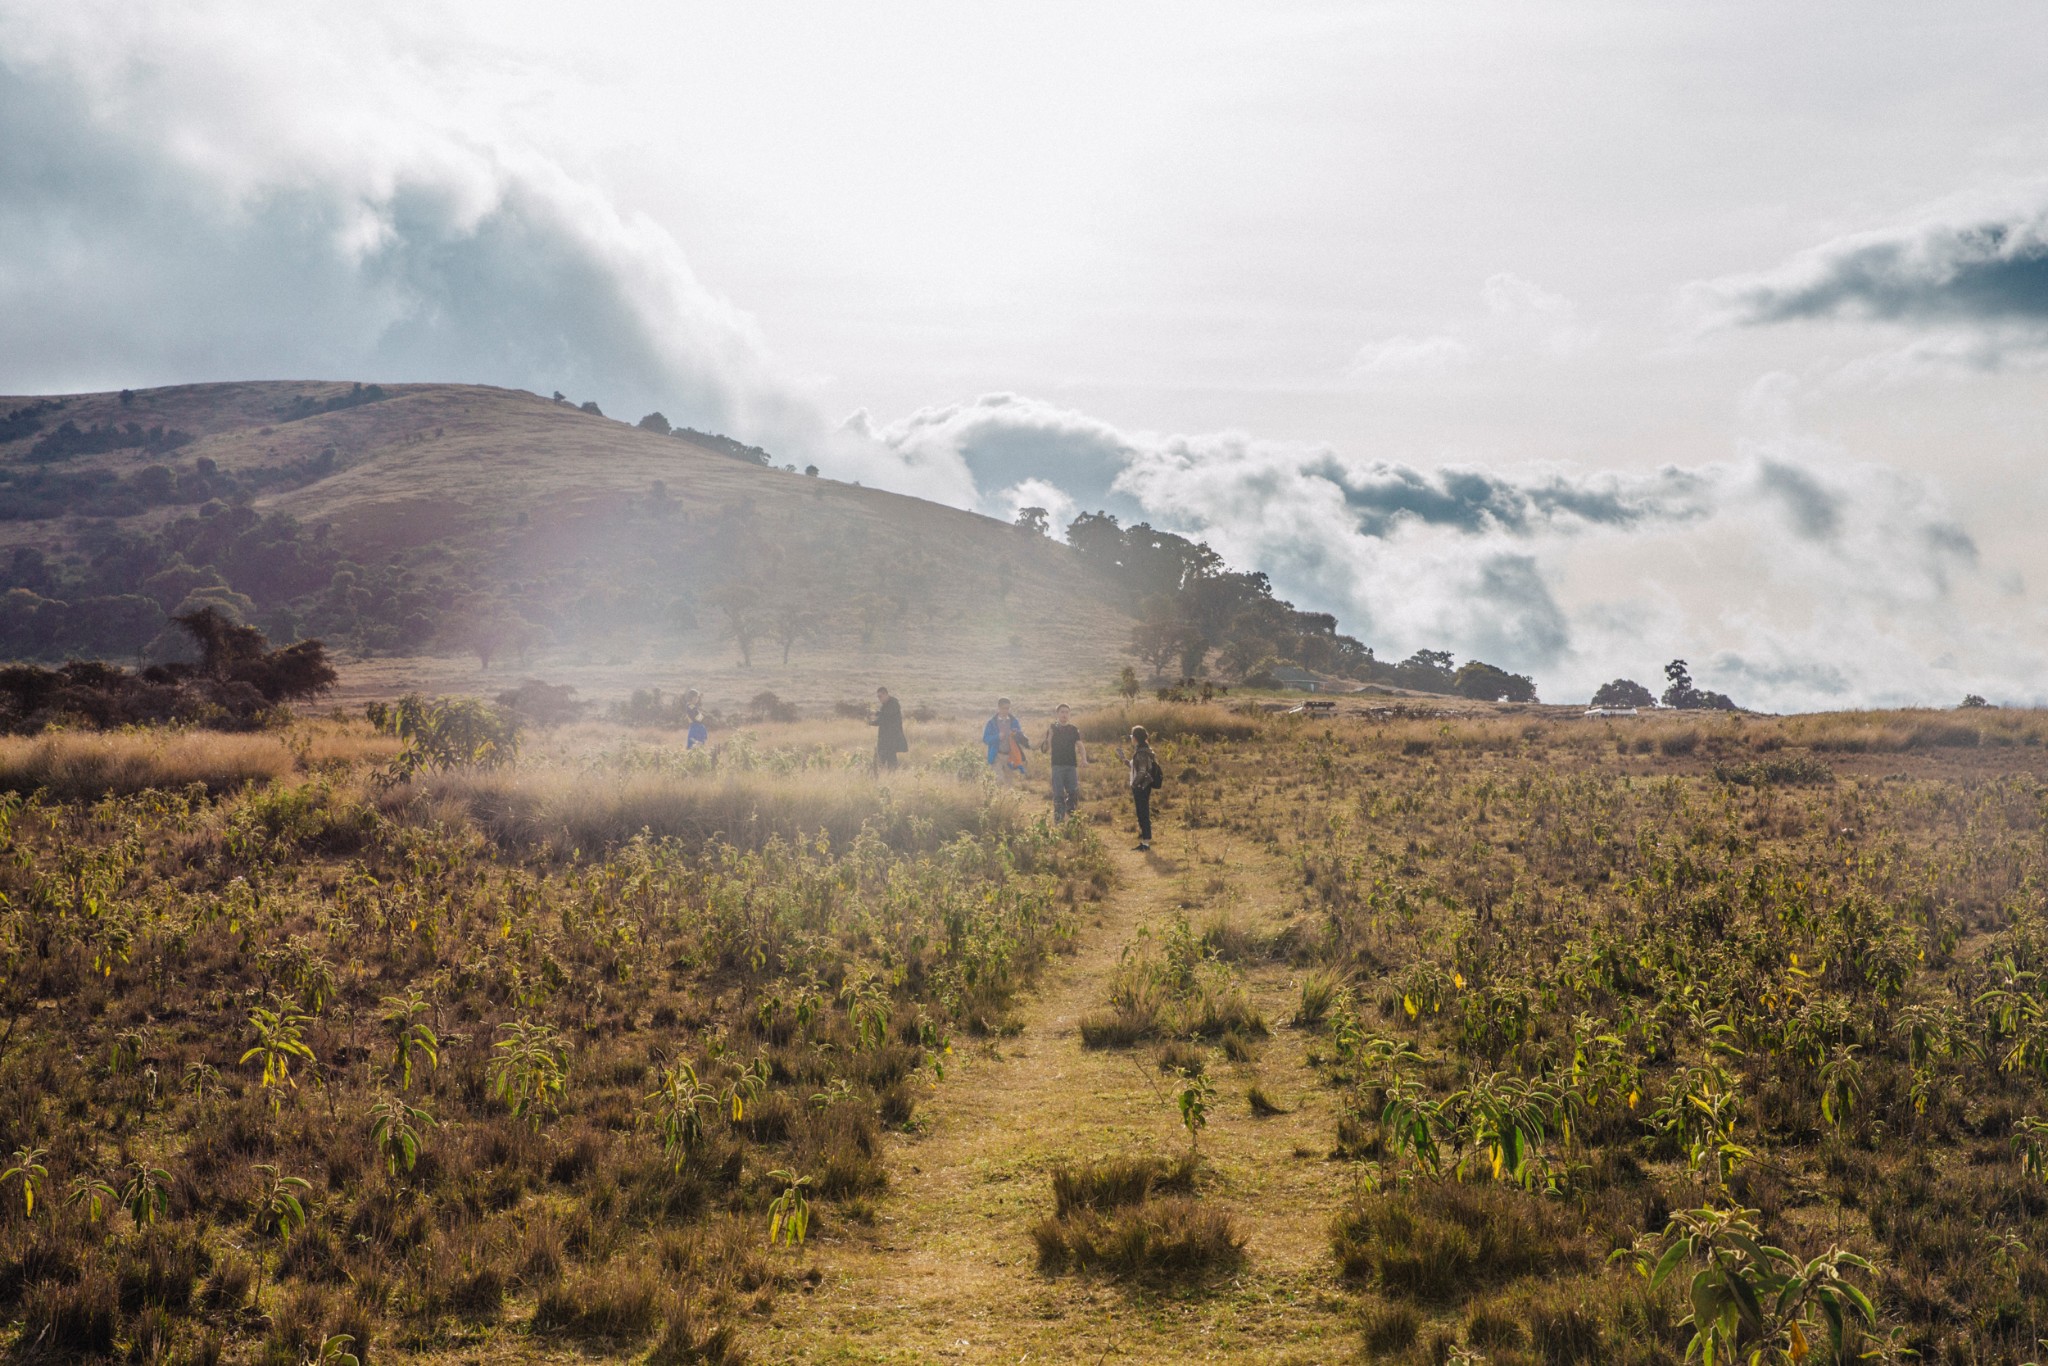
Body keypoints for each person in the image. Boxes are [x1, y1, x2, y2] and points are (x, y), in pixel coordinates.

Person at [1117, 724, 1161, 851]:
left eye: (1132, 736)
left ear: (1135, 738)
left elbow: (1141, 772)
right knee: (1142, 813)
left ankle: (1145, 842)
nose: (1131, 739)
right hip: (1144, 786)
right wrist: (1124, 759)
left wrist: (1134, 784)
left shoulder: (1141, 753)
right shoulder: (1143, 751)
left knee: (1143, 814)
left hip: (1141, 787)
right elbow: (1135, 768)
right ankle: (1145, 841)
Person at [1044, 703, 1086, 820]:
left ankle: (1073, 819)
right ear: (1057, 714)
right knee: (1058, 795)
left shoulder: (1073, 729)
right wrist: (1050, 736)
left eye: (1067, 712)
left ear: (1069, 714)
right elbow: (1046, 749)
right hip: (1057, 766)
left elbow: (1080, 745)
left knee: (1073, 793)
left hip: (1071, 766)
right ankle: (1059, 821)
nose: (1064, 714)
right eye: (1062, 712)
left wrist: (1084, 759)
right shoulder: (1052, 728)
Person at [982, 697, 1029, 782]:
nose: (1006, 711)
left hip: (1010, 756)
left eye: (1008, 708)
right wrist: (997, 737)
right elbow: (985, 739)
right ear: (999, 708)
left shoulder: (1014, 721)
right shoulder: (991, 723)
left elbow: (1020, 735)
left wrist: (1016, 733)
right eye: (1004, 708)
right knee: (998, 781)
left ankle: (1006, 795)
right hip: (996, 756)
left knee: (1009, 783)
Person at [871, 686, 908, 772]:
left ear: (885, 694)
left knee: (885, 761)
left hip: (891, 738)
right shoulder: (886, 705)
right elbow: (884, 716)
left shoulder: (893, 704)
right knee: (886, 760)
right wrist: (876, 713)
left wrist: (872, 722)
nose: (879, 699)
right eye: (878, 697)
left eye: (880, 696)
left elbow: (885, 718)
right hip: (886, 738)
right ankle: (887, 778)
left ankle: (886, 778)